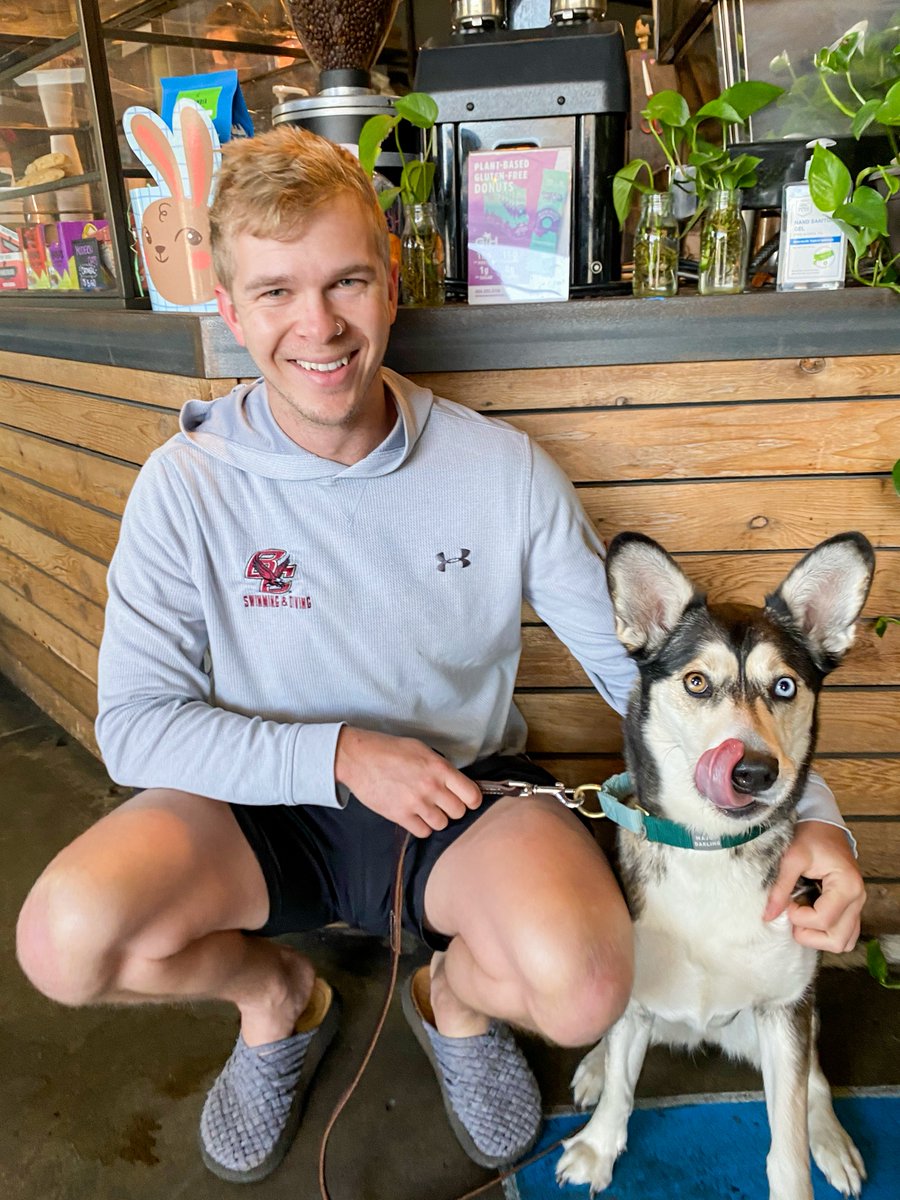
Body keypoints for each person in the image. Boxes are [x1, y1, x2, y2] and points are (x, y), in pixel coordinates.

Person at [15, 126, 865, 1185]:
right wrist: (338, 754)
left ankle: (449, 1003)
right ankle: (276, 1001)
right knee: (65, 941)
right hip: (248, 804)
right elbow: (134, 727)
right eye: (275, 292)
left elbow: (653, 684)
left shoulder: (502, 470)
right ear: (228, 311)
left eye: (346, 281)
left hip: (466, 802)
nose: (317, 325)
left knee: (587, 987)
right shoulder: (183, 485)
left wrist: (816, 823)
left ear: (391, 282)